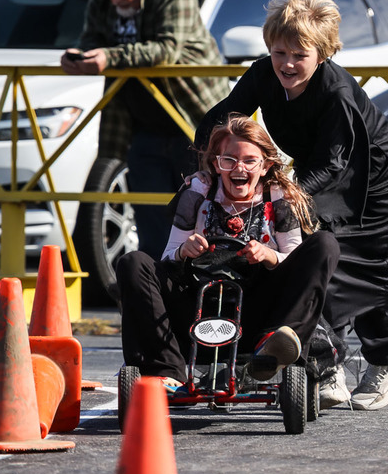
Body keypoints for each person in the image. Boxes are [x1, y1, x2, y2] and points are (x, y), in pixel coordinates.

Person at [194, 0, 388, 410]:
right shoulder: (263, 74)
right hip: (314, 172)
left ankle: (386, 358)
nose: (287, 64)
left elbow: (336, 164)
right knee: (312, 261)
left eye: (299, 55)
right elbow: (226, 116)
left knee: (362, 266)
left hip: (370, 179)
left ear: (322, 54)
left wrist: (280, 195)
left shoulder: (337, 94)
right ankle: (325, 364)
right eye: (279, 53)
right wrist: (204, 161)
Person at [116, 114, 339, 389]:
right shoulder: (198, 192)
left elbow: (295, 259)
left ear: (265, 165)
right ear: (216, 164)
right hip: (199, 301)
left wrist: (268, 255)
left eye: (249, 161)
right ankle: (167, 370)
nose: (239, 168)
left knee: (324, 244)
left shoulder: (278, 197)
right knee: (133, 262)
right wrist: (185, 251)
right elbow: (167, 257)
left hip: (256, 307)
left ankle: (277, 343)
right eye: (229, 160)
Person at [61, 0, 229, 259]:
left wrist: (109, 56)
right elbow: (92, 38)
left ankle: (202, 284)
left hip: (191, 118)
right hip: (141, 123)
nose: (114, 0)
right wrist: (81, 56)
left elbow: (166, 50)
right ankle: (154, 286)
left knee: (201, 212)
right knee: (150, 218)